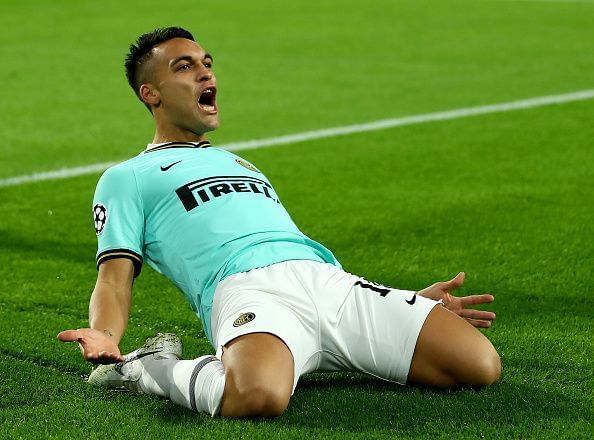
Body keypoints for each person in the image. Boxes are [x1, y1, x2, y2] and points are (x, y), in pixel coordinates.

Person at [58, 27, 501, 418]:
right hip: (246, 291)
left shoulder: (241, 163)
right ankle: (147, 368)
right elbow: (114, 278)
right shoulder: (126, 178)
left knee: (478, 365)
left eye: (207, 64)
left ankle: (311, 351)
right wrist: (105, 334)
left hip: (328, 282)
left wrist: (407, 300)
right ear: (150, 93)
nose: (206, 73)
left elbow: (287, 247)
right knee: (257, 397)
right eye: (185, 67)